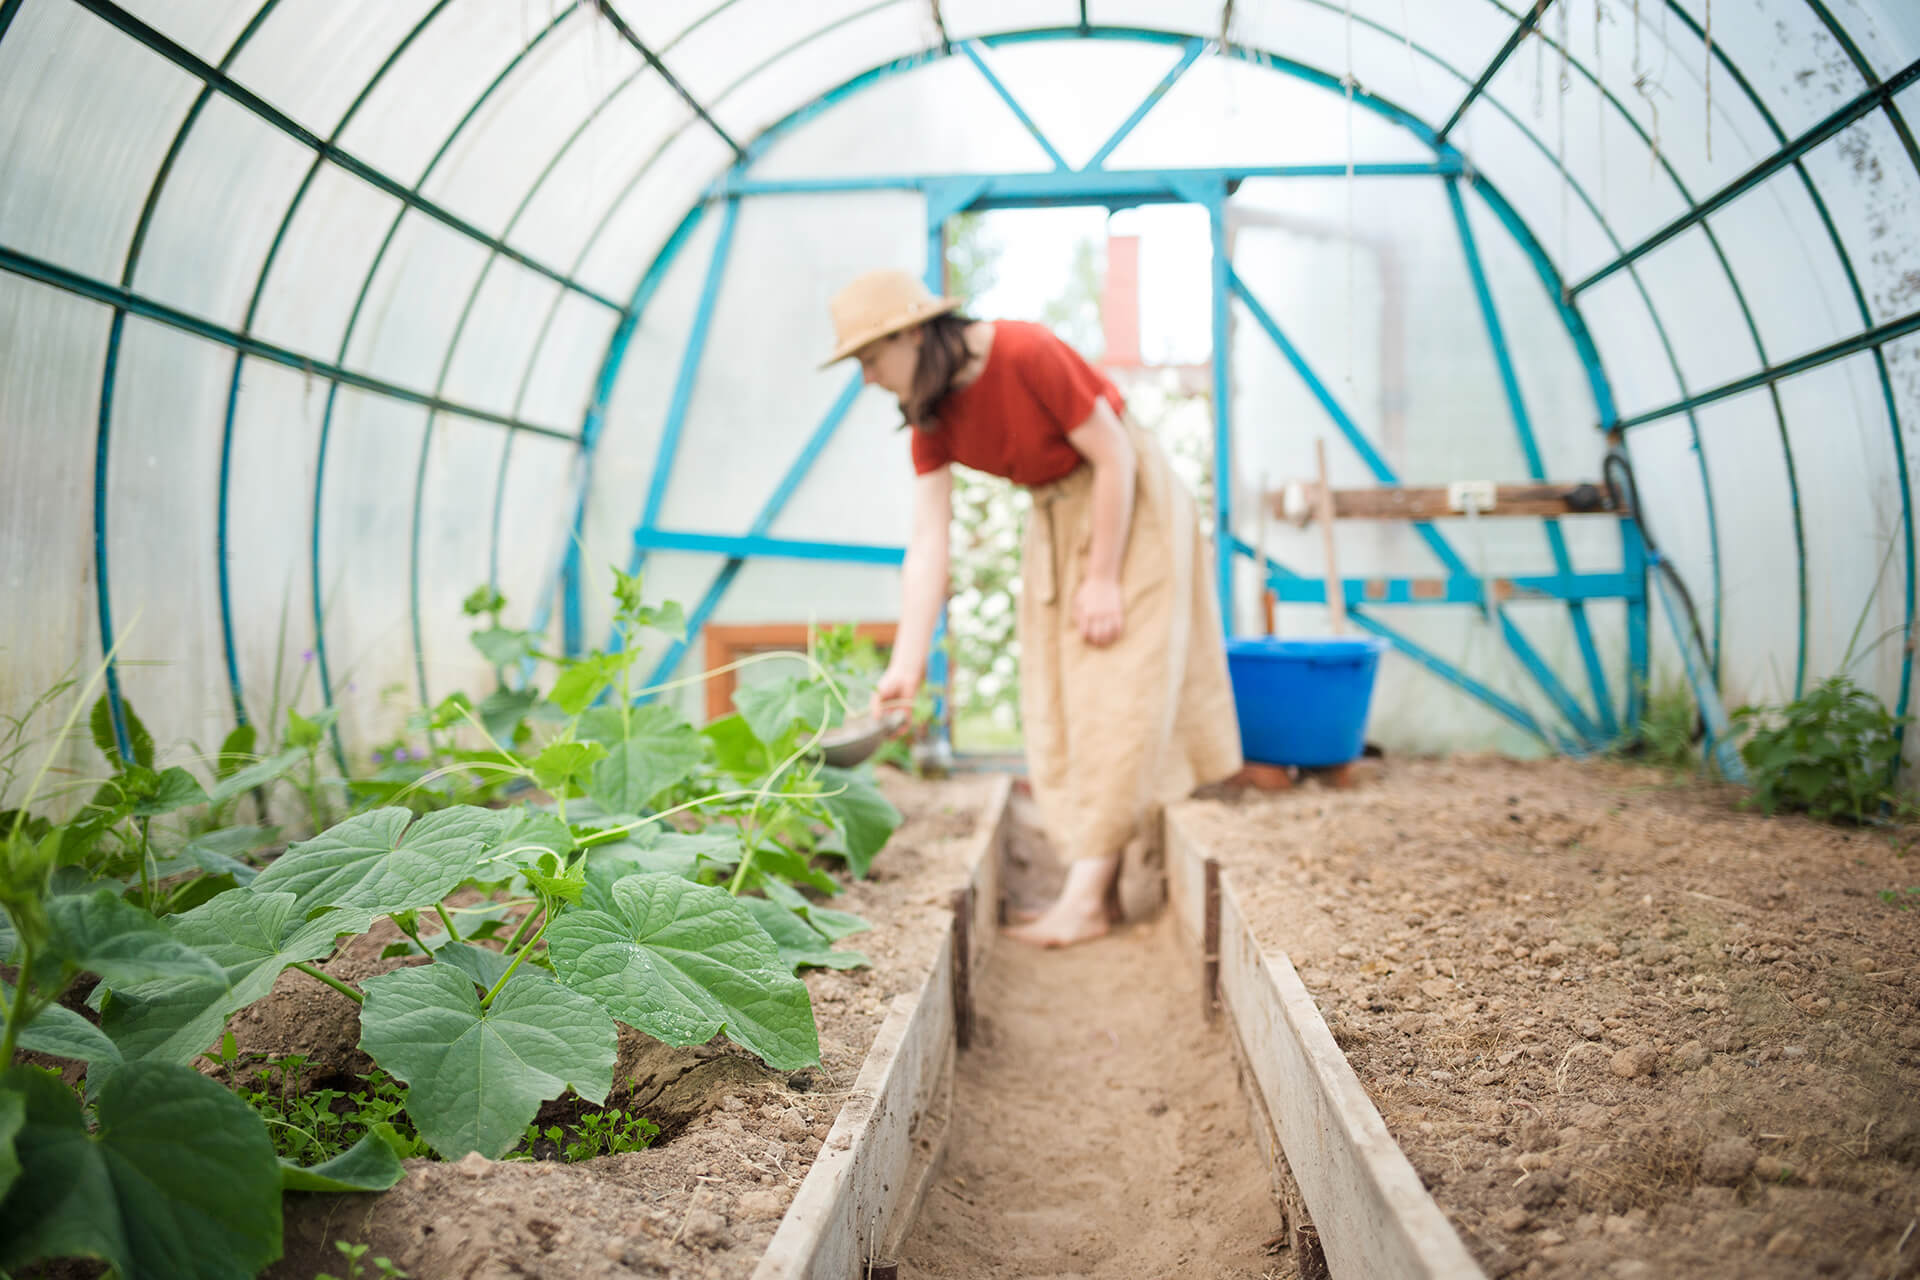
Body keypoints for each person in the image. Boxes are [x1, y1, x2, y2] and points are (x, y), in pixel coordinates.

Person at [823, 268, 1242, 947]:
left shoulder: (1024, 351)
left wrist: (1102, 576)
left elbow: (1113, 457)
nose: (867, 377)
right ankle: (1088, 882)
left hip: (1126, 503)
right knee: (1061, 690)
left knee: (1115, 686)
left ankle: (1087, 902)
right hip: (1056, 515)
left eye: (869, 358)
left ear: (910, 334)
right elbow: (929, 545)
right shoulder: (932, 417)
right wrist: (906, 665)